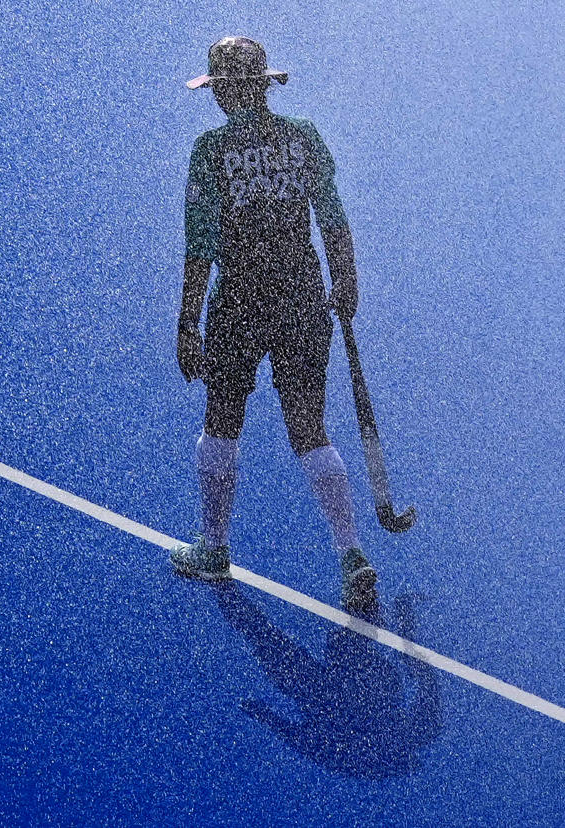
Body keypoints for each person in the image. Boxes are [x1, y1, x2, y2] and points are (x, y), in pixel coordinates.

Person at [172, 36, 376, 609]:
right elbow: (333, 218)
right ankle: (351, 553)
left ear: (229, 91)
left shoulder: (210, 151)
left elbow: (200, 244)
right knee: (310, 429)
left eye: (215, 89)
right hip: (304, 297)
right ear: (263, 85)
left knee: (222, 421)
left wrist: (188, 322)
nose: (212, 100)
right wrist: (347, 280)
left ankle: (214, 550)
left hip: (239, 299)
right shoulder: (303, 138)